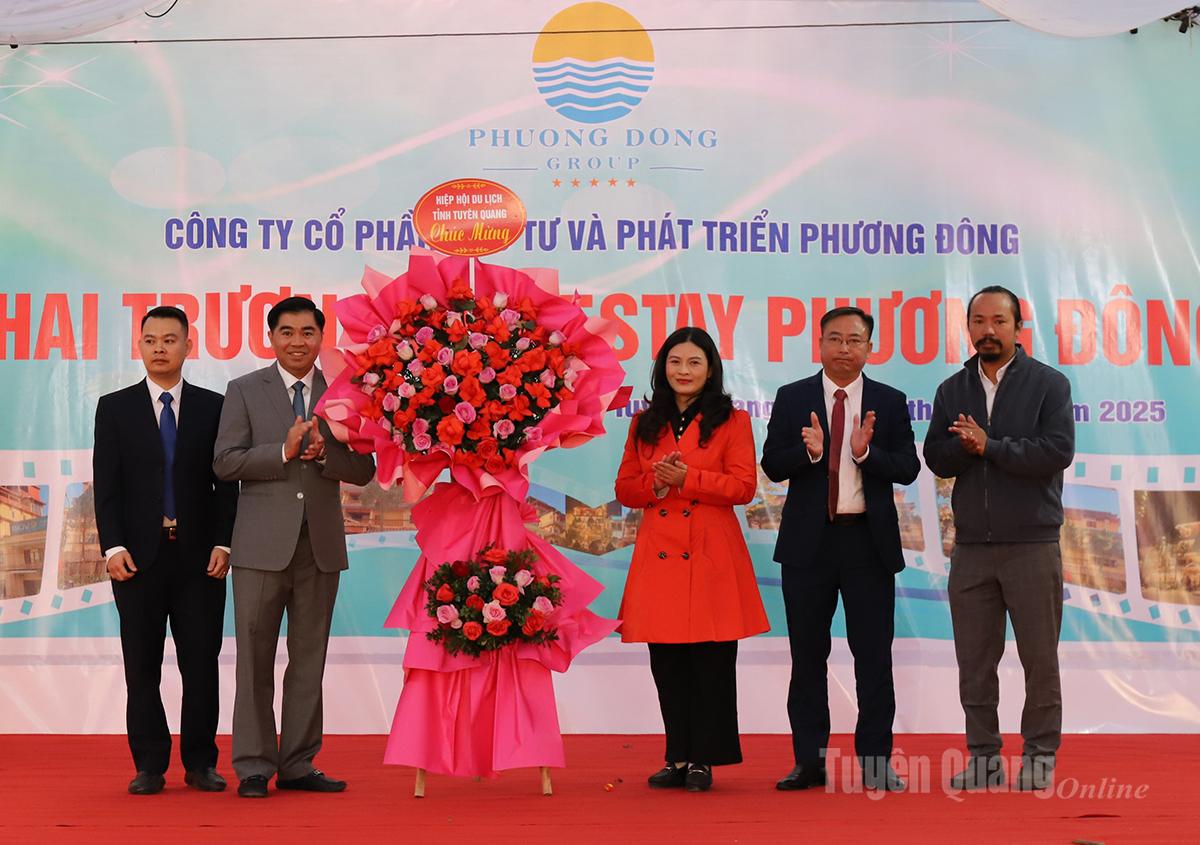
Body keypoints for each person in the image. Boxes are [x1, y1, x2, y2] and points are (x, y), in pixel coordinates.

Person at [213, 296, 375, 798]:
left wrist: (327, 456)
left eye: (308, 332)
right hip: (260, 548)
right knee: (254, 661)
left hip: (319, 548)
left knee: (309, 660)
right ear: (271, 338)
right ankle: (254, 766)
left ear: (321, 338)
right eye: (287, 332)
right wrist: (281, 452)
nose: (297, 341)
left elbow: (365, 469)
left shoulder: (346, 392)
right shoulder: (244, 390)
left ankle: (300, 763)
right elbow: (225, 462)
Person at [762, 306, 919, 793]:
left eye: (854, 340)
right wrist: (809, 453)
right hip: (808, 546)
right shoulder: (793, 397)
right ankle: (809, 762)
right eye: (835, 338)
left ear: (869, 347)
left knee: (873, 658)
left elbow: (908, 467)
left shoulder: (889, 401)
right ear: (820, 344)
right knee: (808, 657)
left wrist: (865, 453)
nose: (844, 348)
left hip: (867, 544)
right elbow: (772, 464)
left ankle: (876, 762)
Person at [923, 285, 1075, 792]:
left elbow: (1056, 452)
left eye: (999, 321)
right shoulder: (952, 389)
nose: (988, 331)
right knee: (975, 662)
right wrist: (967, 448)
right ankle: (984, 756)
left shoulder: (1049, 384)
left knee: (1039, 659)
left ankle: (1040, 754)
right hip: (971, 549)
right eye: (979, 322)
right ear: (968, 327)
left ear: (1017, 327)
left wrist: (990, 446)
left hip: (1032, 544)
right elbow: (936, 458)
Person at [615, 327, 769, 793]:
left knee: (711, 661)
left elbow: (743, 487)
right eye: (675, 362)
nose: (684, 371)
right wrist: (658, 484)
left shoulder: (732, 420)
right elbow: (625, 488)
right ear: (663, 367)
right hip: (660, 550)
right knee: (667, 662)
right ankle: (677, 756)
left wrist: (689, 478)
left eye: (694, 362)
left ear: (710, 369)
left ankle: (704, 758)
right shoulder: (644, 423)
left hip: (709, 551)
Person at [93, 305, 238, 795]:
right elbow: (106, 485)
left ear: (187, 346)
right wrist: (113, 546)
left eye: (169, 340)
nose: (160, 348)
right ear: (139, 346)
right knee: (142, 667)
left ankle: (200, 763)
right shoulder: (115, 408)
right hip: (137, 560)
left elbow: (227, 485)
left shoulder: (214, 407)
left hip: (199, 560)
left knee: (201, 665)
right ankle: (149, 765)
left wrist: (223, 542)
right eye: (151, 340)